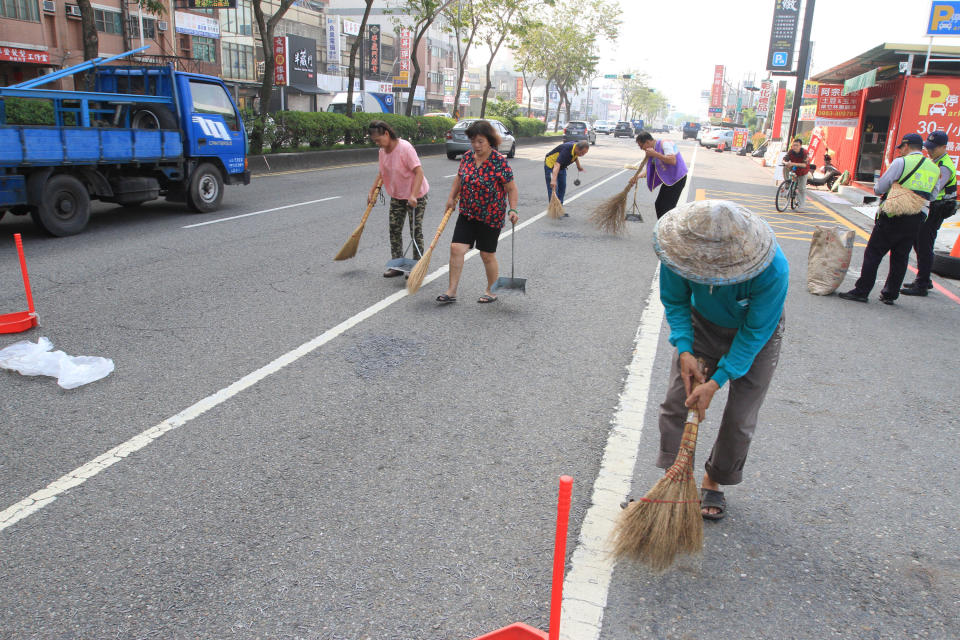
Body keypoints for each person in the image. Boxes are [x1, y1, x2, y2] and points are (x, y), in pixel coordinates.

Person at [653, 200, 788, 520]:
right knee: (678, 402)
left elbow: (755, 333)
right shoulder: (679, 254)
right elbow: (675, 299)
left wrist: (716, 381)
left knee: (740, 417)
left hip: (754, 334)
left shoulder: (773, 269)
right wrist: (684, 349)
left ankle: (714, 479)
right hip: (702, 325)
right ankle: (674, 479)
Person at [839, 133, 940, 305]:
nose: (900, 151)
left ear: (906, 146)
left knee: (874, 252)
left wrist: (899, 188)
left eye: (901, 147)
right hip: (916, 218)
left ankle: (862, 291)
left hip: (893, 214)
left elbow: (879, 188)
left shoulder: (901, 162)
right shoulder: (934, 168)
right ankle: (890, 294)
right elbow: (933, 195)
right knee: (901, 256)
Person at [438, 120, 519, 304]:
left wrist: (512, 209)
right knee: (456, 248)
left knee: (486, 254)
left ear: (490, 140)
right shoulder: (467, 157)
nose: (476, 145)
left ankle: (491, 290)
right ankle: (451, 291)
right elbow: (459, 178)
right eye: (473, 141)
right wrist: (451, 197)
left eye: (480, 141)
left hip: (491, 215)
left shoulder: (499, 162)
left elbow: (512, 189)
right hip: (467, 212)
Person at [367, 120, 429, 278]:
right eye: (375, 142)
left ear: (386, 134)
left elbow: (419, 172)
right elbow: (382, 173)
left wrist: (413, 195)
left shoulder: (405, 148)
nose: (378, 144)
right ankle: (397, 264)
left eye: (378, 140)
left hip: (416, 195)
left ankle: (417, 267)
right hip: (397, 196)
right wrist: (372, 190)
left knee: (416, 232)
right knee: (394, 230)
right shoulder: (382, 151)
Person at [901, 130, 957, 296]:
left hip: (936, 209)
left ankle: (922, 284)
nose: (929, 150)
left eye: (933, 148)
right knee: (919, 244)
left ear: (944, 147)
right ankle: (924, 278)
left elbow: (934, 187)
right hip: (930, 207)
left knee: (924, 245)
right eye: (928, 147)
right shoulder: (936, 162)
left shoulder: (944, 166)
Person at [628, 131, 689, 218]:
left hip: (678, 178)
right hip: (670, 180)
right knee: (659, 205)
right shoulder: (653, 150)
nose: (642, 149)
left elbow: (672, 160)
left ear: (648, 142)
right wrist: (636, 177)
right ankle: (662, 226)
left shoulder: (664, 144)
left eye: (641, 146)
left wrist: (655, 154)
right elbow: (649, 170)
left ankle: (666, 228)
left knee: (666, 207)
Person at [544, 140, 589, 208]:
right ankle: (554, 209)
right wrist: (553, 180)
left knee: (562, 186)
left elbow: (575, 156)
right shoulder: (566, 150)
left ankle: (559, 207)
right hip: (551, 166)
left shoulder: (576, 147)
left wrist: (579, 167)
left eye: (584, 153)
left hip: (562, 167)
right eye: (582, 153)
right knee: (554, 188)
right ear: (577, 148)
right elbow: (557, 164)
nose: (582, 155)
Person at [782, 138, 810, 209]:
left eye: (797, 145)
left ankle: (801, 206)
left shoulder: (805, 153)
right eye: (794, 145)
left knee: (801, 189)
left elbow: (804, 165)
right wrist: (786, 163)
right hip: (794, 169)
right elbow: (784, 160)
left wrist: (793, 163)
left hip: (803, 172)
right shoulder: (791, 151)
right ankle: (787, 184)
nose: (795, 147)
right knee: (785, 167)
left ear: (800, 146)